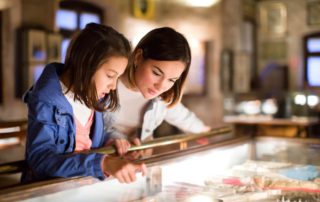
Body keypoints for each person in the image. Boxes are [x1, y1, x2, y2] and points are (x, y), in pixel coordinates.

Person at [22, 23, 146, 184]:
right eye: (110, 75)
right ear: (86, 64)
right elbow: (41, 159)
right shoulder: (46, 100)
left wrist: (113, 143)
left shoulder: (93, 96)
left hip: (80, 189)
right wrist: (103, 163)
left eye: (117, 77)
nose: (114, 86)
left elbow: (88, 140)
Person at [104, 27, 211, 152]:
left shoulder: (162, 98)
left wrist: (202, 130)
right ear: (138, 57)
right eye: (156, 73)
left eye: (171, 80)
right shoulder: (106, 86)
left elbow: (179, 114)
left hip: (140, 164)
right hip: (104, 164)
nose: (161, 86)